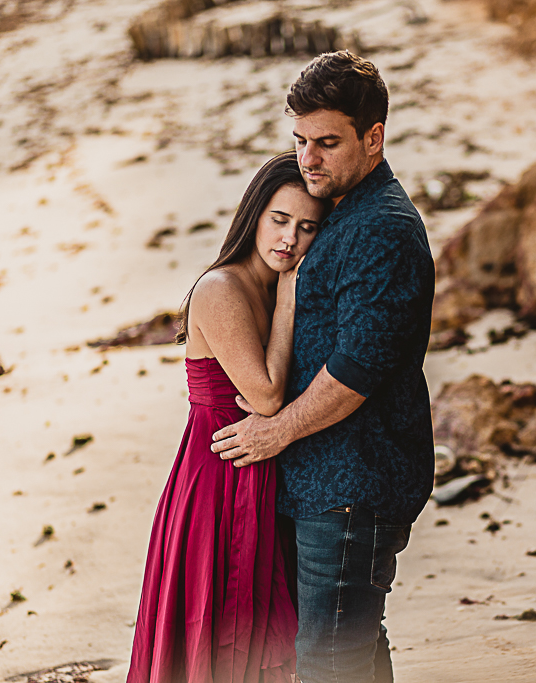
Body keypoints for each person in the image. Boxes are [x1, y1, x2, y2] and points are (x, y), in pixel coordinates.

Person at [212, 51, 436, 683]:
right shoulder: (345, 213)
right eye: (300, 140)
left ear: (373, 138)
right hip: (331, 485)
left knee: (327, 667)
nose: (308, 157)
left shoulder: (381, 229)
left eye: (328, 142)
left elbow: (357, 370)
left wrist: (273, 431)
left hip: (353, 488)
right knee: (356, 656)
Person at [126, 151, 330, 683]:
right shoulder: (221, 290)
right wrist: (287, 301)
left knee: (261, 645)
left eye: (307, 228)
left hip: (263, 476)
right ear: (254, 215)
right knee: (218, 641)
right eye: (279, 220)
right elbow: (264, 398)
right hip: (217, 481)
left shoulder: (266, 284)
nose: (289, 239)